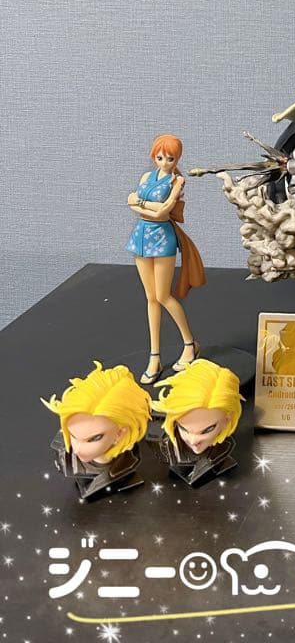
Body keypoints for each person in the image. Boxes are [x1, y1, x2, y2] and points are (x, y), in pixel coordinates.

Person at [125, 134, 206, 384]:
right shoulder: (146, 177)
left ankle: (190, 344)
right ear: (154, 156)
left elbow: (162, 212)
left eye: (170, 158)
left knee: (163, 296)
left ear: (177, 159)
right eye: (160, 157)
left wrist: (140, 203)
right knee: (151, 298)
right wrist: (144, 206)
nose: (164, 162)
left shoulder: (177, 181)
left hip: (162, 239)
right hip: (140, 237)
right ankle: (155, 356)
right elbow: (130, 203)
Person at [41, 362, 152, 499]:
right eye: (73, 435)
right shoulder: (65, 456)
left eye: (93, 439)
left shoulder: (129, 463)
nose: (78, 449)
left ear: (120, 434)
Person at [152, 359, 243, 485]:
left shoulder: (222, 449)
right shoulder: (170, 448)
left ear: (227, 420)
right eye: (184, 429)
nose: (193, 440)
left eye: (207, 430)